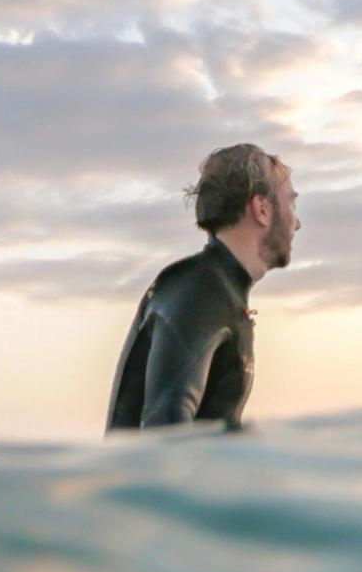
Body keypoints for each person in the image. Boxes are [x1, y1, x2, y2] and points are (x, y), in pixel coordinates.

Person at [105, 144, 300, 432]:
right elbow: (164, 435)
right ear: (262, 209)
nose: (297, 223)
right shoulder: (198, 293)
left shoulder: (215, 291)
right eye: (292, 204)